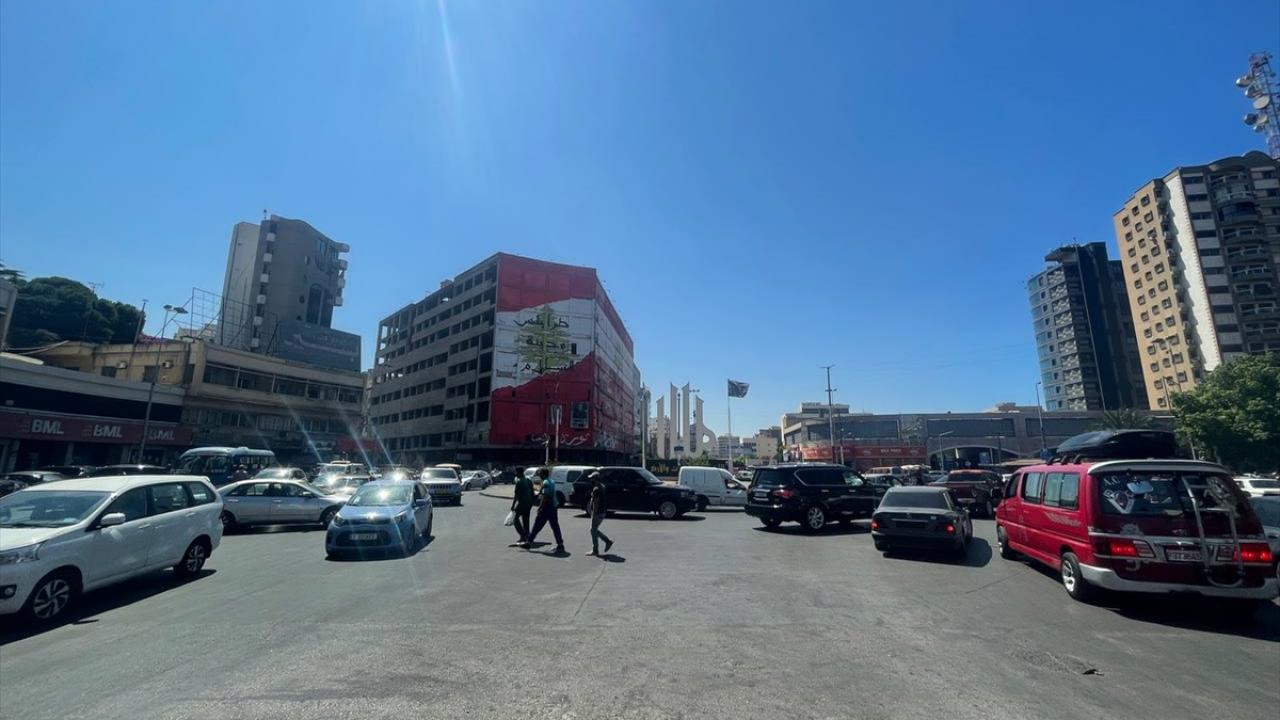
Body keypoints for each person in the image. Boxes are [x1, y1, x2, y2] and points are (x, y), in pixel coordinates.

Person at [525, 467, 564, 553]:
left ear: (543, 474)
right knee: (555, 526)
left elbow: (545, 497)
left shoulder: (545, 482)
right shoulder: (552, 481)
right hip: (553, 507)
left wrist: (540, 508)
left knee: (537, 525)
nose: (539, 476)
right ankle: (560, 544)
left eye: (540, 474)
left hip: (547, 507)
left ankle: (529, 542)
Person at [586, 472, 613, 557]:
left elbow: (596, 503)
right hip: (602, 512)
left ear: (595, 479)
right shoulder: (602, 486)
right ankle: (606, 542)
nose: (591, 480)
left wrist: (594, 514)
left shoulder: (596, 489)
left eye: (592, 478)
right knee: (593, 530)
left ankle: (597, 549)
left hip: (598, 513)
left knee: (593, 530)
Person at [511, 465, 533, 545]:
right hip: (529, 503)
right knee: (526, 520)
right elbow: (533, 491)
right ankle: (527, 535)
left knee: (515, 519)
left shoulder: (519, 482)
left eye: (516, 472)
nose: (515, 474)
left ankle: (523, 535)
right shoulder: (528, 480)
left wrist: (513, 505)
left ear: (519, 472)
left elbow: (516, 495)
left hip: (522, 503)